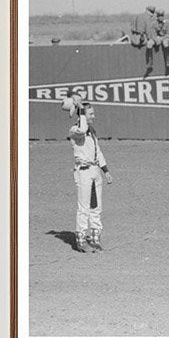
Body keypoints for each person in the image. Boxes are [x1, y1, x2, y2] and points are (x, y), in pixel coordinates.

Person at [62, 98, 113, 255]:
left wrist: (106, 171)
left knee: (96, 206)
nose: (94, 116)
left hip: (95, 171)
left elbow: (98, 151)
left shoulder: (92, 131)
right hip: (83, 171)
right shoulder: (75, 130)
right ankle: (81, 240)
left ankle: (96, 238)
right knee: (84, 207)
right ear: (83, 114)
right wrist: (80, 110)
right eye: (91, 113)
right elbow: (82, 129)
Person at [130, 4, 158, 71]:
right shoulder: (147, 18)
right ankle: (150, 62)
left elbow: (131, 27)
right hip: (141, 40)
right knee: (150, 44)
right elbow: (149, 32)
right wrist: (155, 40)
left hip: (133, 38)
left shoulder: (137, 16)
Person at [151, 8, 169, 75]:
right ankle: (150, 62)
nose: (161, 17)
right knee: (150, 44)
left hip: (166, 38)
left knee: (165, 43)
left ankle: (168, 60)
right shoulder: (154, 23)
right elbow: (153, 34)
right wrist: (156, 39)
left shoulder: (167, 23)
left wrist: (162, 38)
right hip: (158, 38)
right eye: (159, 16)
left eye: (162, 16)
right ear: (157, 17)